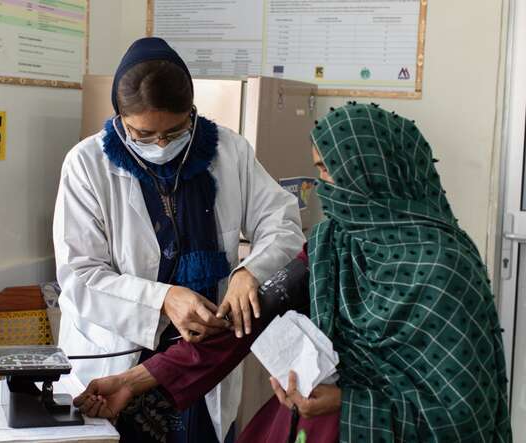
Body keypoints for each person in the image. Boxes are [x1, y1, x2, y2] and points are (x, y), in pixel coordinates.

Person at [73, 103, 513, 443]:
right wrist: (132, 381)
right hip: (311, 425)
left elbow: (465, 411)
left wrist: (348, 404)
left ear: (374, 177)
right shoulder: (331, 245)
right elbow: (241, 325)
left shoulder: (443, 268)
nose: (323, 188)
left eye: (329, 172)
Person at [53, 37, 305, 443]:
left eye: (174, 130)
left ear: (192, 111)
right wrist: (164, 300)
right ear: (119, 118)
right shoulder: (86, 165)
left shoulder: (228, 150)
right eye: (144, 134)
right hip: (119, 355)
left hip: (201, 360)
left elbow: (284, 224)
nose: (161, 144)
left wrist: (249, 273)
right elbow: (80, 275)